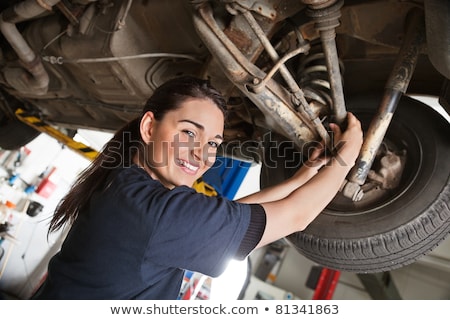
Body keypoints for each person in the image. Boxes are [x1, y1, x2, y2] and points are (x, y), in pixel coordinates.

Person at [32, 76, 363, 299]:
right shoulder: (155, 212)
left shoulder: (126, 186)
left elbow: (228, 217)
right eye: (189, 132)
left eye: (214, 143)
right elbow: (297, 217)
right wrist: (348, 155)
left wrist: (302, 177)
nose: (202, 154)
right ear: (150, 127)